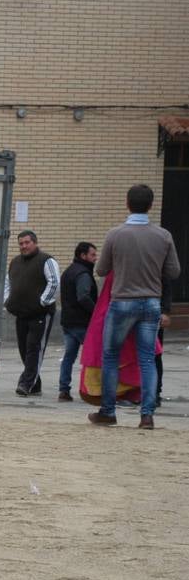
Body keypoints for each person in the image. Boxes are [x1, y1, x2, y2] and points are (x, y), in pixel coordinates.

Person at [89, 184, 181, 429]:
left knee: (110, 356)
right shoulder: (163, 236)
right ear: (151, 205)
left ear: (127, 203)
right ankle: (147, 414)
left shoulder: (115, 234)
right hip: (151, 302)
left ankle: (108, 411)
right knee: (147, 360)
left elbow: (101, 270)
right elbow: (173, 271)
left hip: (122, 302)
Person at [3, 230, 59, 397]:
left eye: (27, 242)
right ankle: (36, 384)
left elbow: (54, 282)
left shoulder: (46, 260)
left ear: (34, 242)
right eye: (21, 243)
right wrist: (7, 301)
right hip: (21, 313)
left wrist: (42, 302)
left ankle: (25, 384)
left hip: (40, 314)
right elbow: (8, 283)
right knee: (23, 349)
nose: (24, 246)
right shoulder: (15, 262)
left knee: (34, 348)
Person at [57, 241, 98, 401]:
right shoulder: (83, 274)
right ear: (83, 256)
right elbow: (83, 296)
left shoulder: (68, 271)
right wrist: (97, 312)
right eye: (92, 255)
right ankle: (92, 390)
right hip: (82, 323)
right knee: (93, 357)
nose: (95, 258)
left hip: (68, 322)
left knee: (69, 357)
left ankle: (64, 390)